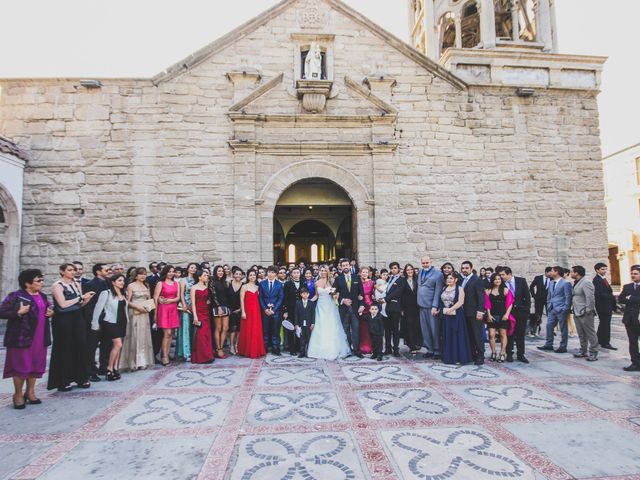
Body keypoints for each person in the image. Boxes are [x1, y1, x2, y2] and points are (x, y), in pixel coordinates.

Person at [0, 269, 53, 409]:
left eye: (42, 280)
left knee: (36, 364)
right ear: (27, 283)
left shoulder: (42, 295)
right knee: (20, 366)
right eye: (38, 281)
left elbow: (46, 308)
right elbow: (2, 311)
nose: (41, 283)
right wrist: (18, 312)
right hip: (21, 338)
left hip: (40, 337)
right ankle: (17, 394)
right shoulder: (16, 296)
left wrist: (50, 312)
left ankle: (30, 392)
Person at [48, 263, 95, 391]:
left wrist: (86, 299)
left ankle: (81, 377)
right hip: (63, 320)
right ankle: (63, 380)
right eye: (69, 270)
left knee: (80, 345)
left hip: (77, 317)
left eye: (74, 270)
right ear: (62, 271)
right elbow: (62, 304)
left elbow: (79, 304)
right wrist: (81, 297)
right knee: (65, 348)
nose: (73, 272)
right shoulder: (57, 285)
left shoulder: (75, 283)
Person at [307, 265, 351, 360]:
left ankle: (333, 348)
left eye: (324, 270)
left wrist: (335, 295)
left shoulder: (332, 281)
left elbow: (336, 294)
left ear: (327, 272)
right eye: (321, 270)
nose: (322, 272)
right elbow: (316, 295)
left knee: (331, 326)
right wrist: (308, 302)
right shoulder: (316, 282)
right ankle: (320, 349)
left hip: (330, 306)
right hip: (320, 306)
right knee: (320, 326)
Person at [92, 274, 128, 381]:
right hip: (110, 322)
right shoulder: (106, 293)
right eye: (119, 280)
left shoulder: (122, 293)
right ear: (113, 282)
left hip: (121, 322)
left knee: (118, 346)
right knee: (118, 344)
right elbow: (98, 309)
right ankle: (109, 368)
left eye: (123, 280)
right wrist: (95, 324)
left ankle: (115, 368)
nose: (122, 282)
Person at [122, 267, 155, 371]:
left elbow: (149, 300)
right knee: (135, 335)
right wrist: (136, 307)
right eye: (141, 274)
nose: (143, 276)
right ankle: (133, 362)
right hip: (134, 312)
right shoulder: (131, 286)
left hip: (144, 313)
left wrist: (148, 307)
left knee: (144, 336)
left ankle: (143, 361)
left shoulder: (146, 285)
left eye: (145, 274)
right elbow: (127, 301)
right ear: (136, 275)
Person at [83, 263, 110, 381]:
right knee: (92, 346)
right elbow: (88, 305)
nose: (109, 271)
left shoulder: (109, 283)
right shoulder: (89, 285)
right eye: (106, 270)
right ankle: (91, 371)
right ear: (98, 272)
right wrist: (92, 321)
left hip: (107, 318)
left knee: (106, 344)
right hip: (94, 318)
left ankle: (103, 367)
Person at [499, 266, 531, 363]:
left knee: (520, 333)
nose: (501, 277)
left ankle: (521, 354)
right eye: (500, 275)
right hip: (508, 312)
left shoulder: (521, 281)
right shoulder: (501, 284)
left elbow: (527, 296)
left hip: (521, 312)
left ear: (509, 274)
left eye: (503, 275)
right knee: (509, 333)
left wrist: (526, 309)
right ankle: (509, 353)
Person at [439, 272, 472, 365]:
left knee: (456, 334)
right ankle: (448, 357)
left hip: (456, 315)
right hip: (446, 315)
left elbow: (461, 302)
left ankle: (458, 357)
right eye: (448, 278)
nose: (449, 280)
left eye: (451, 278)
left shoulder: (459, 289)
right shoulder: (444, 288)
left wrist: (452, 309)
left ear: (456, 280)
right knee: (447, 335)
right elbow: (441, 300)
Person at [538, 266, 572, 353]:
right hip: (552, 309)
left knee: (563, 328)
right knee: (549, 326)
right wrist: (549, 304)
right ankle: (549, 344)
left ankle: (563, 346)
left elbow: (568, 297)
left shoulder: (565, 283)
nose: (550, 273)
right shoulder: (551, 282)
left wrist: (565, 308)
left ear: (556, 272)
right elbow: (549, 295)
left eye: (552, 271)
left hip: (561, 309)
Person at [459, 261, 486, 365]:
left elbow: (481, 297)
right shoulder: (461, 280)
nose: (464, 270)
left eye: (466, 268)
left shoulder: (477, 280)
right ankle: (472, 354)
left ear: (471, 268)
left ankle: (480, 356)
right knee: (469, 335)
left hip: (475, 313)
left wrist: (480, 311)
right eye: (463, 268)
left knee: (477, 335)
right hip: (464, 313)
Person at [417, 256, 444, 359]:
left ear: (431, 262)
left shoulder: (438, 274)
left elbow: (438, 291)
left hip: (431, 306)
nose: (425, 264)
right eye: (423, 263)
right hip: (421, 305)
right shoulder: (420, 272)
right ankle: (429, 349)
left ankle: (437, 350)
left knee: (434, 329)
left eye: (427, 262)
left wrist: (435, 305)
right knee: (425, 329)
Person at [570, 266, 598, 362]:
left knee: (590, 333)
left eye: (572, 272)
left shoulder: (586, 282)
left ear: (577, 273)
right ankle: (583, 350)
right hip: (577, 311)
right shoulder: (577, 282)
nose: (570, 273)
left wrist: (588, 310)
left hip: (585, 312)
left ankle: (593, 352)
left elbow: (590, 297)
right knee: (581, 333)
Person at [484, 273, 514, 363]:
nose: (497, 281)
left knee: (502, 334)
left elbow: (510, 303)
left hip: (503, 315)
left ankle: (502, 353)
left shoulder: (505, 290)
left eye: (499, 279)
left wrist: (507, 315)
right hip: (492, 315)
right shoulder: (488, 291)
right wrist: (489, 315)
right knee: (491, 334)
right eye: (495, 279)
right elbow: (487, 304)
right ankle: (493, 353)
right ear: (492, 280)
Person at [154, 265, 180, 366]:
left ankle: (167, 353)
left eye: (173, 271)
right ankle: (164, 356)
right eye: (169, 271)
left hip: (173, 308)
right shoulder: (161, 283)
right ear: (165, 272)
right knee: (167, 333)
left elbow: (178, 297)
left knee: (171, 334)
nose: (171, 273)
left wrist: (171, 300)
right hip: (163, 309)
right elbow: (155, 298)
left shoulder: (176, 283)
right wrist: (155, 314)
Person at [238, 269, 266, 358]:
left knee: (256, 329)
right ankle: (246, 350)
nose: (252, 277)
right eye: (250, 275)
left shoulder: (258, 287)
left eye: (254, 275)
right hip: (247, 311)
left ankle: (256, 350)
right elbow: (241, 300)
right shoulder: (244, 287)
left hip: (256, 311)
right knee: (248, 330)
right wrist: (243, 311)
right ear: (247, 276)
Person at [618, 265, 640, 371]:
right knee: (633, 342)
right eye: (632, 273)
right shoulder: (627, 287)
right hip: (630, 319)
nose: (633, 275)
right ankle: (635, 363)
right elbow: (621, 299)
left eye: (635, 273)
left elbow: (629, 298)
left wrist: (631, 297)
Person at [259, 266, 284, 355]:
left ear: (276, 274)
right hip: (264, 310)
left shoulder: (279, 284)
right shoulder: (262, 284)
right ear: (267, 273)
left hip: (275, 311)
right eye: (269, 272)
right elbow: (260, 297)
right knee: (265, 330)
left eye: (273, 272)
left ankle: (275, 348)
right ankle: (264, 348)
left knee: (275, 330)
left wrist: (274, 309)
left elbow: (281, 298)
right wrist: (265, 309)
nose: (270, 274)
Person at [191, 269, 215, 364]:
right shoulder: (194, 287)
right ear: (199, 277)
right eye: (205, 275)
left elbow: (209, 298)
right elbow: (193, 303)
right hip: (199, 312)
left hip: (206, 311)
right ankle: (201, 357)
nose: (207, 277)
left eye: (207, 275)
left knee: (207, 334)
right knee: (200, 334)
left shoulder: (206, 286)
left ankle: (208, 355)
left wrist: (208, 301)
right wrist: (195, 316)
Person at [593, 262, 618, 350]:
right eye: (602, 269)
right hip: (603, 306)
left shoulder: (603, 279)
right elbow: (599, 293)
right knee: (605, 324)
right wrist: (611, 296)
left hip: (607, 305)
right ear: (597, 270)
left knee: (604, 324)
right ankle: (605, 342)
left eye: (605, 269)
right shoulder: (597, 280)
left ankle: (600, 340)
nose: (605, 271)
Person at [383, 261, 405, 357]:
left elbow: (397, 292)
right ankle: (388, 348)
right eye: (391, 268)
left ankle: (396, 349)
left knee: (395, 329)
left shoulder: (401, 280)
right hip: (386, 307)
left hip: (395, 307)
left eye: (395, 268)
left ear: (399, 269)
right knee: (387, 330)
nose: (393, 270)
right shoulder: (388, 279)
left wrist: (385, 299)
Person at [209, 265, 231, 359]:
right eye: (219, 271)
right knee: (218, 328)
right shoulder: (212, 282)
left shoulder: (225, 282)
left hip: (225, 306)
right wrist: (218, 307)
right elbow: (213, 295)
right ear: (215, 272)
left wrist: (228, 307)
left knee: (225, 328)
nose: (221, 272)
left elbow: (226, 295)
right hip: (217, 307)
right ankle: (218, 349)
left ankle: (220, 347)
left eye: (222, 271)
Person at [177, 263, 198, 362]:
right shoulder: (183, 280)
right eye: (191, 268)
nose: (193, 269)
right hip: (186, 306)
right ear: (188, 269)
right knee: (185, 328)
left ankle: (194, 350)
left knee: (194, 328)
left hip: (195, 306)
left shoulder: (196, 280)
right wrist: (184, 305)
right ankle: (186, 352)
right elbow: (181, 293)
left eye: (195, 268)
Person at [401, 264, 422, 355]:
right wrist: (401, 308)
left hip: (417, 306)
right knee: (409, 326)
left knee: (417, 326)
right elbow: (401, 295)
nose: (410, 271)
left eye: (411, 269)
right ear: (405, 271)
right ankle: (411, 345)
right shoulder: (403, 281)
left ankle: (418, 344)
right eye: (408, 270)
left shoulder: (417, 280)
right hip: (407, 307)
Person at [283, 267, 304, 355]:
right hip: (291, 309)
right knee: (291, 328)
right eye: (294, 273)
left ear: (300, 274)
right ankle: (292, 349)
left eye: (297, 272)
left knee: (299, 327)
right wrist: (285, 311)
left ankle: (299, 347)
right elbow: (285, 298)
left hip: (301, 309)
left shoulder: (303, 283)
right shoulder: (287, 284)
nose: (296, 274)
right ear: (291, 274)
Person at [529, 267, 552, 337]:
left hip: (549, 299)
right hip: (539, 299)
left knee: (550, 315)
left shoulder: (552, 279)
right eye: (550, 272)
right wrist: (534, 295)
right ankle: (535, 330)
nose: (552, 273)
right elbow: (531, 286)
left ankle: (551, 330)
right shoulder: (538, 278)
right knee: (538, 315)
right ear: (546, 272)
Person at [294, 286, 315, 358]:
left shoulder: (311, 303)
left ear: (309, 294)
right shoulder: (298, 303)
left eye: (306, 293)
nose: (305, 295)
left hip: (309, 323)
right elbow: (296, 314)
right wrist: (296, 324)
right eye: (303, 294)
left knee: (308, 337)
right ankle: (302, 352)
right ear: (301, 294)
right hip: (301, 323)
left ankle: (308, 352)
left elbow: (313, 314)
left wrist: (313, 323)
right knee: (302, 338)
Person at [228, 268, 244, 356]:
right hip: (231, 310)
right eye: (236, 274)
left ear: (242, 276)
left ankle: (237, 345)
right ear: (233, 275)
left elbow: (245, 299)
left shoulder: (243, 285)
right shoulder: (228, 284)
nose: (238, 275)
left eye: (240, 274)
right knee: (232, 329)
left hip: (240, 310)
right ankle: (231, 346)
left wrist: (241, 309)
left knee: (239, 329)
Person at [358, 266, 375, 355]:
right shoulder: (357, 282)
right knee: (362, 327)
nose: (364, 274)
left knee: (370, 326)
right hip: (361, 306)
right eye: (363, 272)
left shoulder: (372, 282)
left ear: (368, 273)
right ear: (360, 273)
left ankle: (370, 345)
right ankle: (362, 346)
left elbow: (374, 294)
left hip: (369, 306)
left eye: (366, 272)